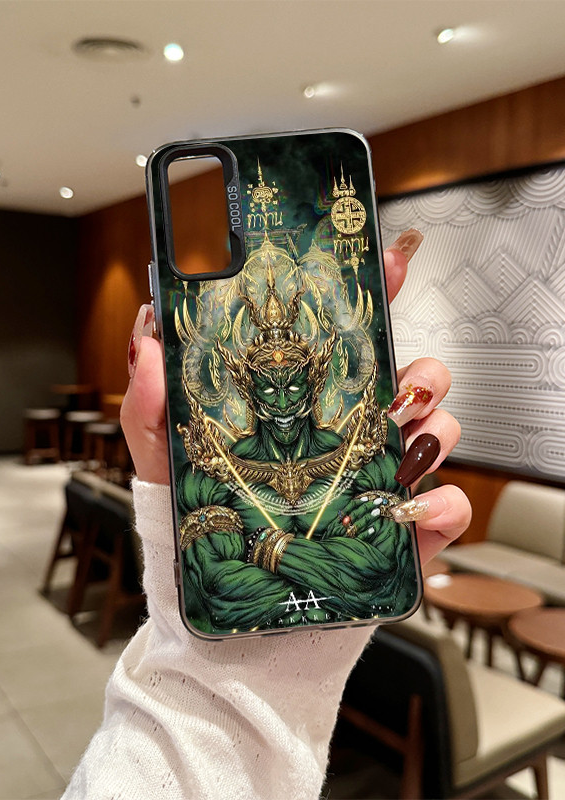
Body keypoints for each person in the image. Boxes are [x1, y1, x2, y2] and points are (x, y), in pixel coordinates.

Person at [62, 230, 472, 800]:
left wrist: (269, 551)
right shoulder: (211, 467)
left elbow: (379, 569)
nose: (281, 399)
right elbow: (219, 586)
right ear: (244, 385)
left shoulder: (361, 451)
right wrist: (330, 565)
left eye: (294, 382)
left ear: (317, 377)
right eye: (265, 385)